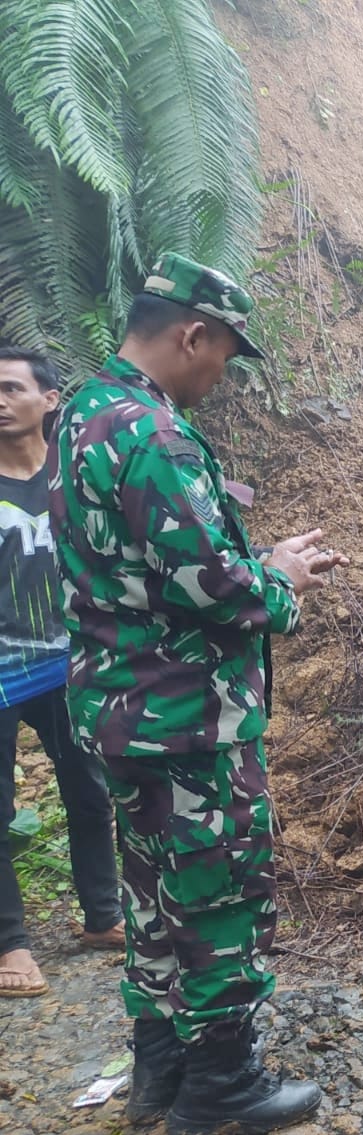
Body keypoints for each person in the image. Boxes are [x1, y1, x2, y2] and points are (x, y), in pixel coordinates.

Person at [48, 254, 348, 1135]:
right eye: (224, 354)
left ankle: (161, 1068)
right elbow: (214, 587)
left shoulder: (84, 412)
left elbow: (146, 568)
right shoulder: (157, 436)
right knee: (220, 896)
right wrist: (283, 579)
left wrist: (255, 560)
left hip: (120, 711)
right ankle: (222, 1087)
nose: (223, 373)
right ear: (192, 335)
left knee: (153, 893)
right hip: (187, 718)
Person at [0, 348, 121, 1000]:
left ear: (49, 400)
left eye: (10, 388)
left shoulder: (76, 476)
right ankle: (10, 943)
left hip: (67, 660)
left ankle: (103, 917)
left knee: (90, 793)